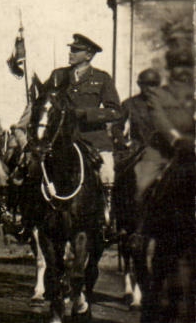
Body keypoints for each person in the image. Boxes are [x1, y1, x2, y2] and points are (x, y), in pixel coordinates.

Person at [43, 33, 121, 189]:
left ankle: (107, 210)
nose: (70, 53)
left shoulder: (102, 78)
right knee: (33, 168)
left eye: (75, 50)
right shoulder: (58, 75)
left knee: (107, 175)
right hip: (60, 137)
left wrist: (85, 113)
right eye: (71, 49)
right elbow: (43, 101)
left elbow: (114, 111)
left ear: (88, 55)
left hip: (92, 139)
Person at [123, 65, 194, 202]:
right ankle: (139, 216)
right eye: (147, 85)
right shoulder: (131, 104)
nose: (151, 89)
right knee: (142, 185)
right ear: (139, 84)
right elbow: (118, 127)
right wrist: (125, 142)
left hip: (182, 150)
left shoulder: (176, 103)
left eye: (155, 85)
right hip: (152, 149)